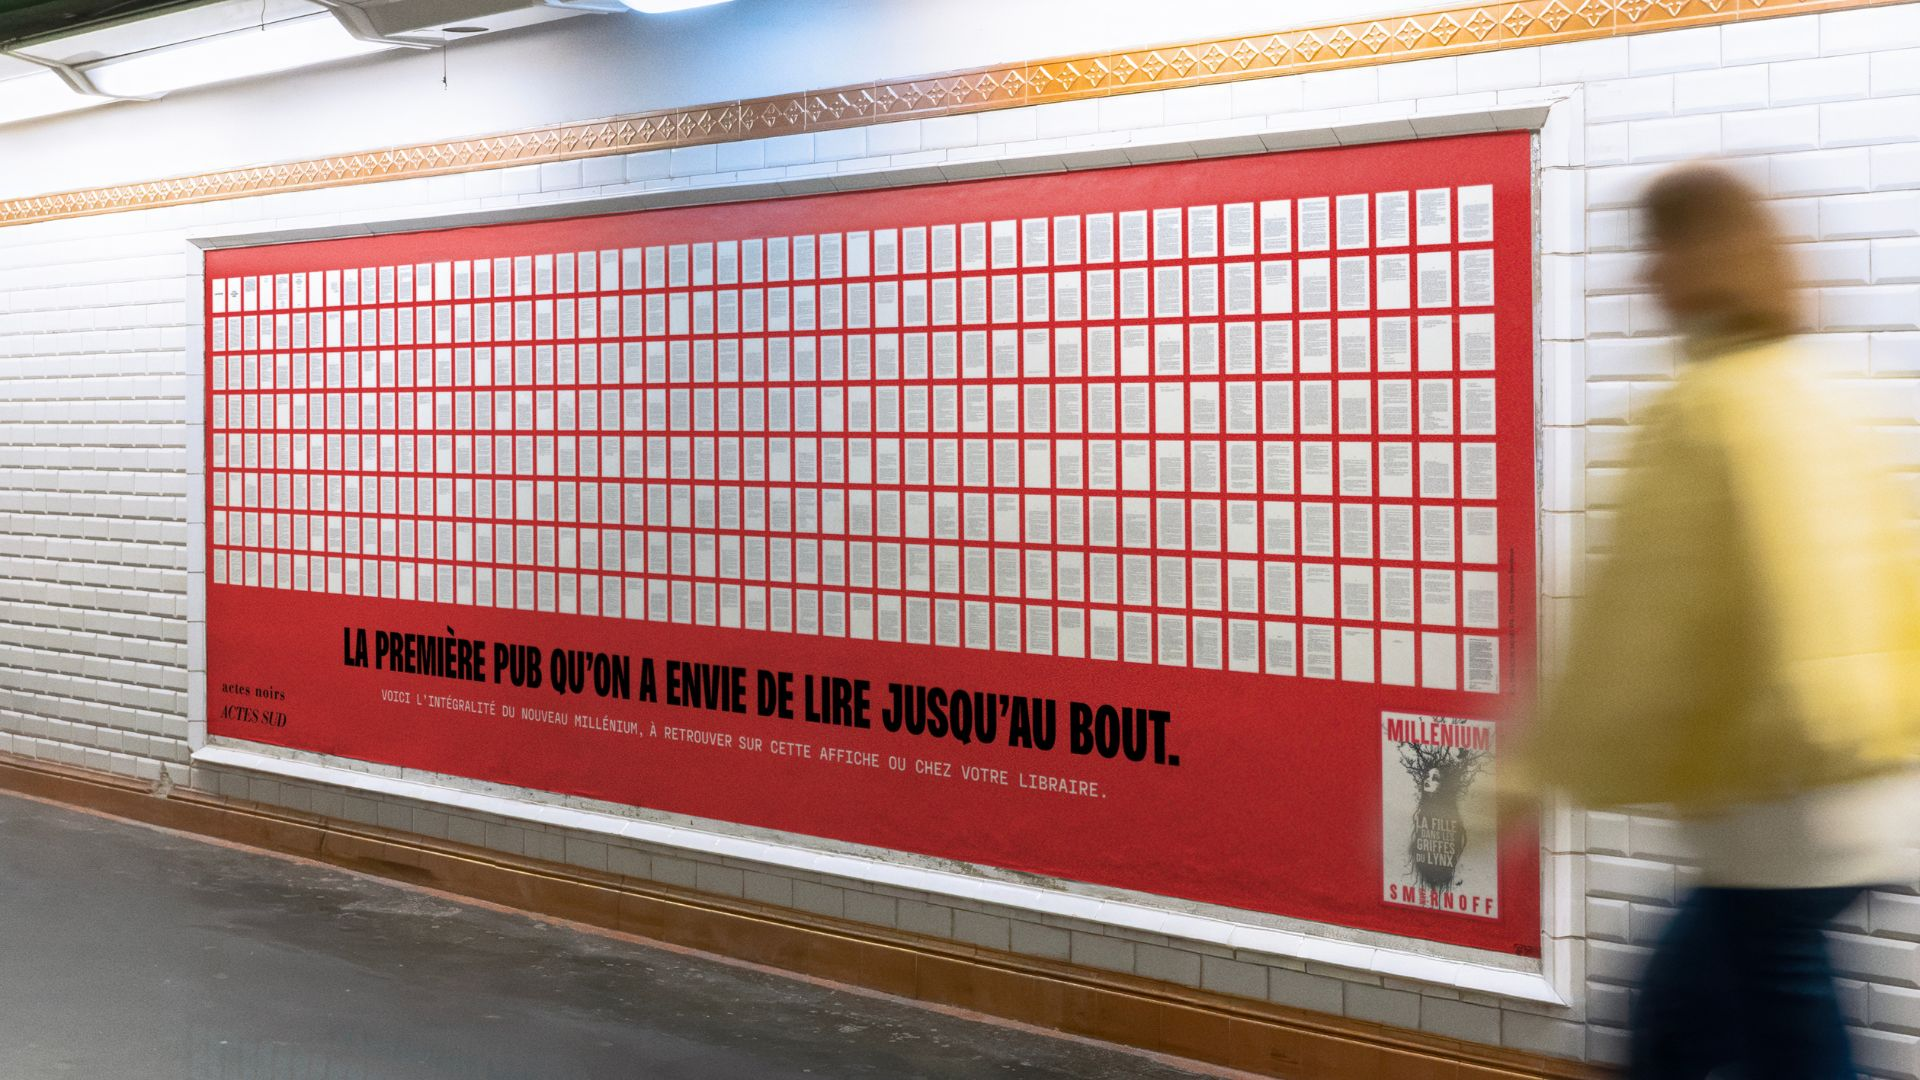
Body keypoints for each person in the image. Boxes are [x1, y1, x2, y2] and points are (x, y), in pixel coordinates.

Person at [1512, 163, 1920, 1079]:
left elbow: (1634, 630)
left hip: (1779, 801)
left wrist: (1524, 775)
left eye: (1656, 249)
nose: (1643, 273)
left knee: (1737, 1019)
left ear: (1699, 257)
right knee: (1689, 1011)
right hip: (1868, 785)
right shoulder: (1828, 392)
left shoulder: (1701, 411)